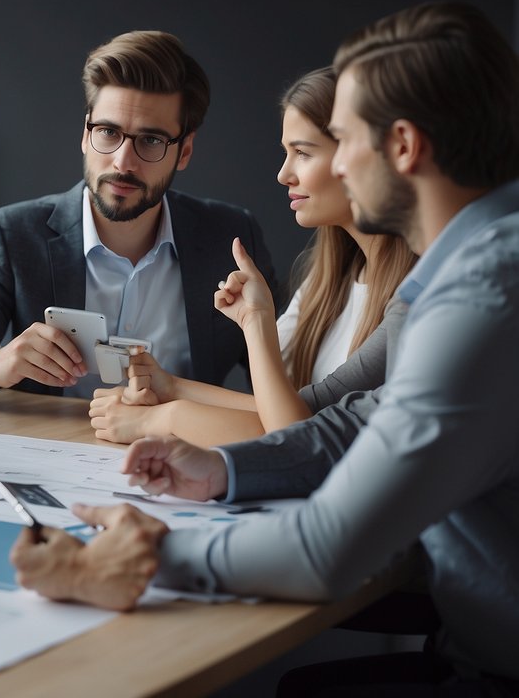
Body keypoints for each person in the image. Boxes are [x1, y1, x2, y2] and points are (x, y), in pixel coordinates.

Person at [18, 2, 519, 694]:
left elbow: (328, 549)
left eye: (339, 140)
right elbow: (357, 423)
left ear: (403, 146)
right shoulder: (473, 266)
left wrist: (147, 555)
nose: (332, 166)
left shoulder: (486, 297)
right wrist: (225, 469)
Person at [0, 30, 276, 404]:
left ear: (184, 151)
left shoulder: (230, 238)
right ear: (85, 135)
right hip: (49, 454)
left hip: (183, 454)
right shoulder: (12, 234)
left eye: (150, 141)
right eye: (108, 132)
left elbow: (290, 373)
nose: (123, 162)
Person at [87, 68, 416, 446]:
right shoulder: (330, 279)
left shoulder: (412, 297)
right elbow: (283, 408)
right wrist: (171, 387)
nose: (283, 174)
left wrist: (162, 417)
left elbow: (300, 429)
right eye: (286, 153)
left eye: (303, 153)